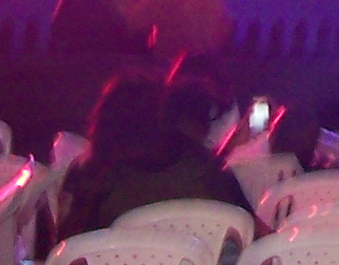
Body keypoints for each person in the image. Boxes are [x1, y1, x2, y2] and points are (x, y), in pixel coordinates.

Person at [57, 73, 240, 239]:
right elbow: (244, 230)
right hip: (202, 264)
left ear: (103, 124)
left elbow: (69, 249)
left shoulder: (92, 178)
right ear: (166, 115)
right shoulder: (204, 168)